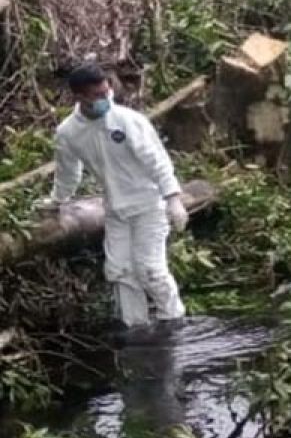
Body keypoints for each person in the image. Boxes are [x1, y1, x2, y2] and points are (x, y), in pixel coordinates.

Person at [42, 63, 189, 328]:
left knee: (151, 270)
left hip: (148, 206)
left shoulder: (128, 121)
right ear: (79, 97)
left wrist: (173, 197)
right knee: (120, 271)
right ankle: (136, 328)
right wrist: (57, 200)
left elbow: (156, 160)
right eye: (96, 96)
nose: (104, 99)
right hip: (115, 210)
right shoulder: (69, 132)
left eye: (106, 92)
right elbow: (67, 172)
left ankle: (173, 323)